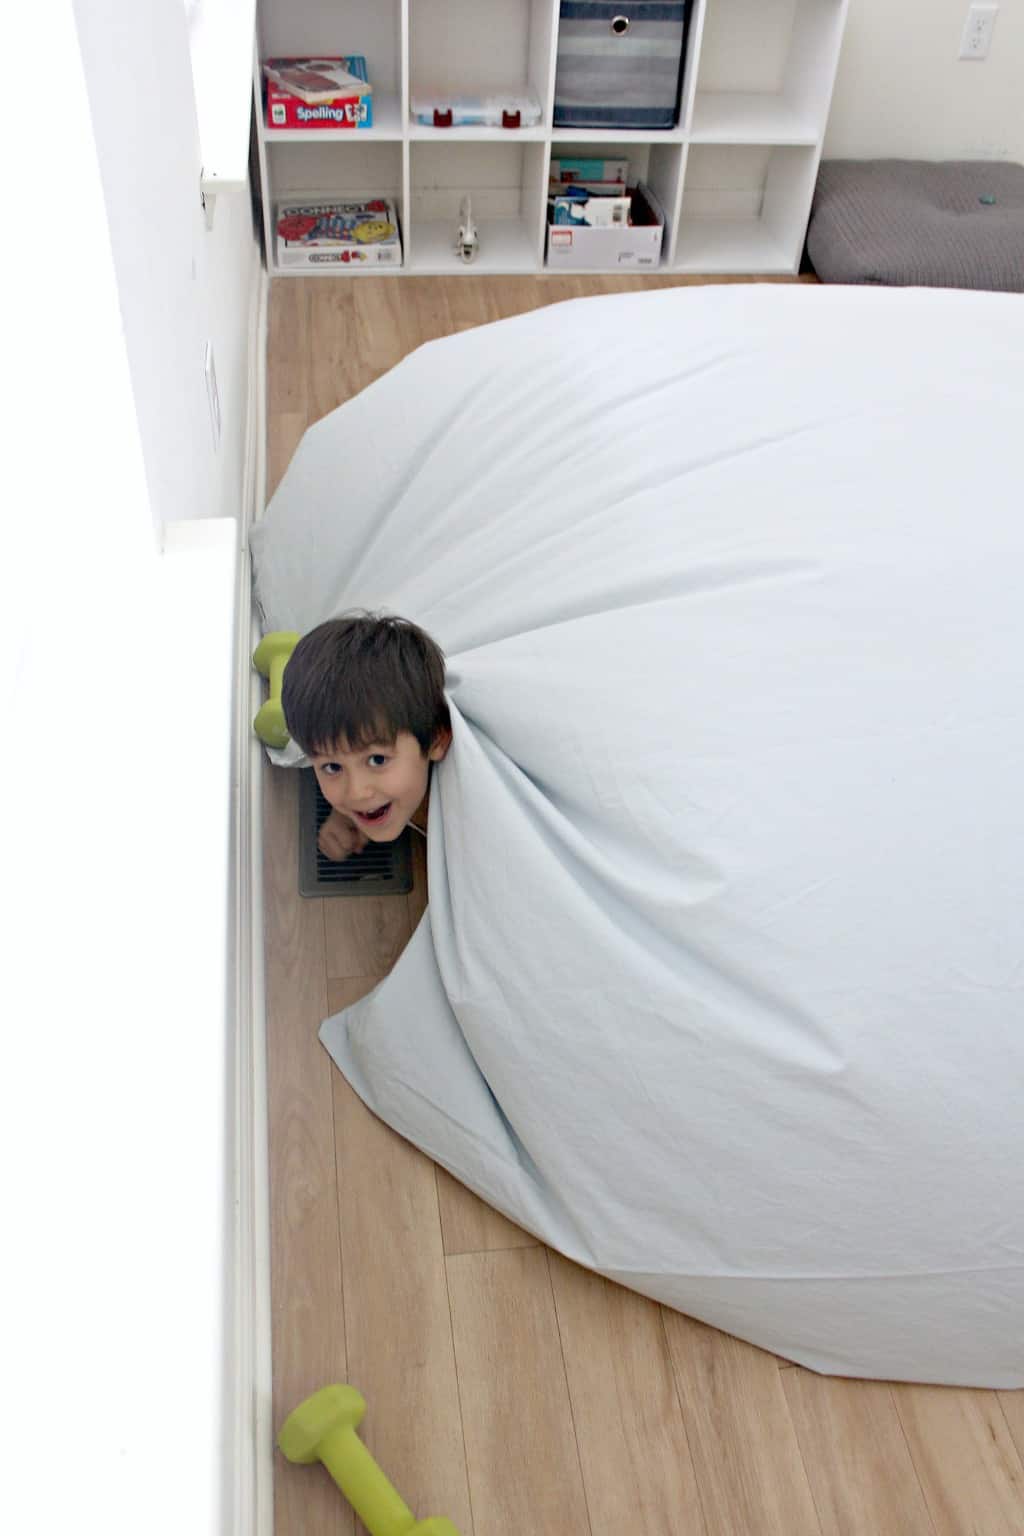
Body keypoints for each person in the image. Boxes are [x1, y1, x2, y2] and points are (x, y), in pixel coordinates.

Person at [281, 612, 452, 861]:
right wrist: (342, 816)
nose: (356, 792)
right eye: (332, 767)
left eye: (377, 760)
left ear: (436, 738)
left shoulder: (461, 808)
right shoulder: (398, 784)